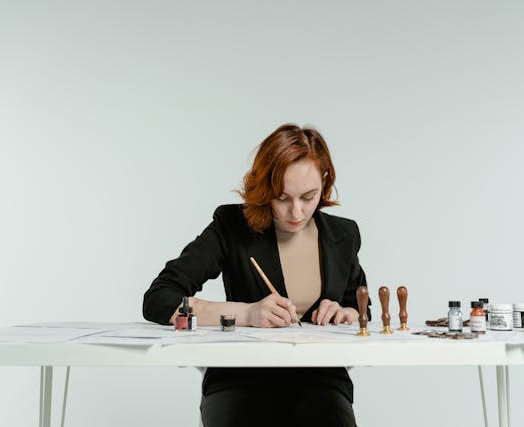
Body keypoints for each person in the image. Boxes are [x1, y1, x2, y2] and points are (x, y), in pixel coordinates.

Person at [143, 124, 369, 427]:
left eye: (308, 196)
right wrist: (246, 313)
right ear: (265, 188)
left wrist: (347, 312)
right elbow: (159, 299)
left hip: (320, 379)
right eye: (282, 197)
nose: (296, 212)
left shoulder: (343, 234)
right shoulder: (232, 226)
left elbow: (362, 306)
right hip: (240, 378)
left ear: (325, 180)